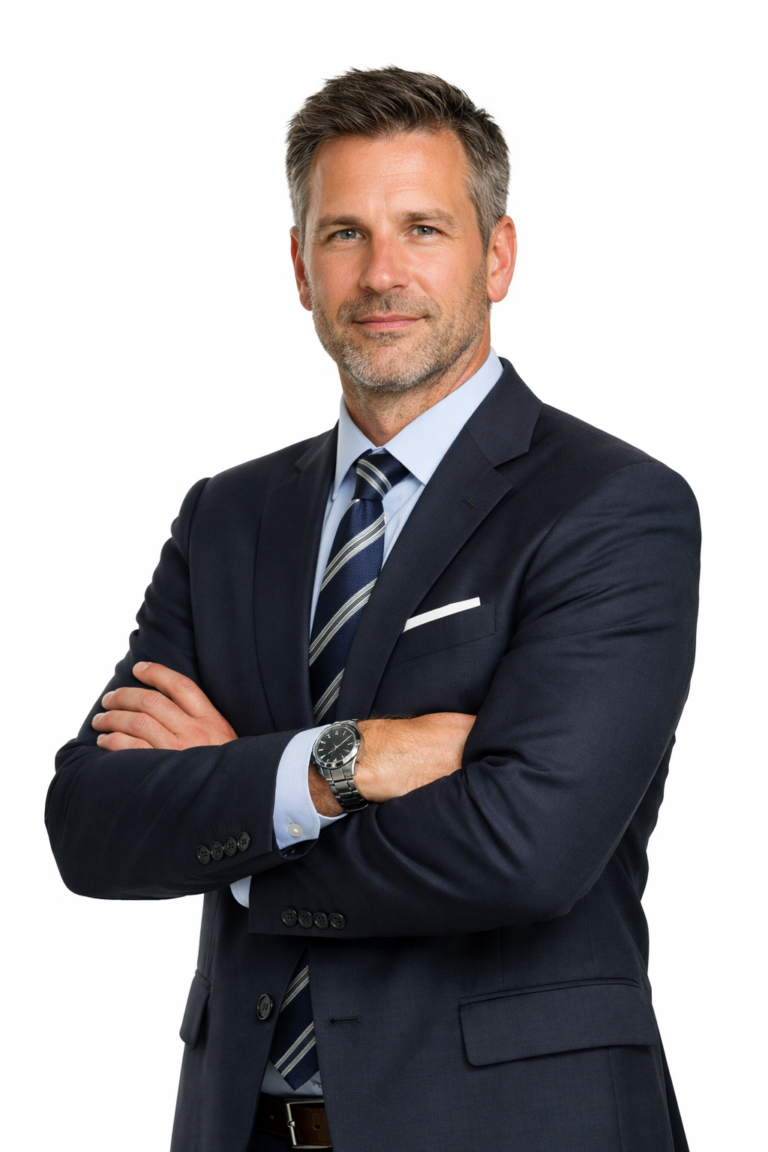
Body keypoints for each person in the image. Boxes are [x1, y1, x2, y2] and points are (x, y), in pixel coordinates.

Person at [46, 66, 700, 1152]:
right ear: (300, 267)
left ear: (496, 255)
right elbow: (93, 823)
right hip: (242, 1125)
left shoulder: (611, 507)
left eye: (424, 228)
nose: (382, 273)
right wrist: (339, 765)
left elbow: (528, 848)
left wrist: (243, 822)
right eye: (344, 233)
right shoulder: (229, 517)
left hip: (513, 1126)